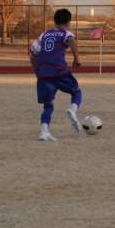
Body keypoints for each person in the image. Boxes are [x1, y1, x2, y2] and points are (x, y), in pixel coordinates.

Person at [30, 8, 83, 141]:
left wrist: (38, 72)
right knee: (76, 92)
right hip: (59, 69)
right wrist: (76, 59)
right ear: (68, 22)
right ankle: (72, 110)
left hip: (43, 72)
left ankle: (44, 132)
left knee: (48, 104)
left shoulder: (44, 35)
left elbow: (32, 55)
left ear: (54, 21)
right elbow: (72, 40)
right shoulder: (66, 33)